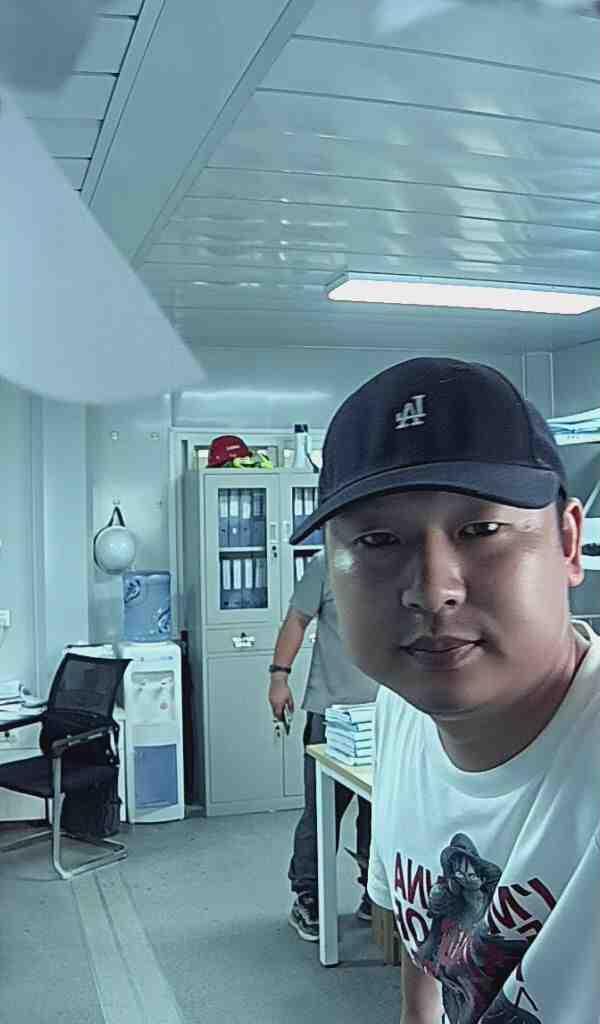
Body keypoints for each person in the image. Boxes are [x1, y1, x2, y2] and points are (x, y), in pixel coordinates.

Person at [289, 357, 600, 1023]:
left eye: (480, 530)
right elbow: (426, 953)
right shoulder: (401, 711)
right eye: (378, 539)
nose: (432, 592)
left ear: (568, 543)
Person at [268, 549, 379, 942]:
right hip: (331, 713)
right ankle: (308, 895)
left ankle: (375, 891)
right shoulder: (326, 562)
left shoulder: (401, 556)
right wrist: (279, 677)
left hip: (386, 714)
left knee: (380, 812)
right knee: (322, 811)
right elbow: (297, 619)